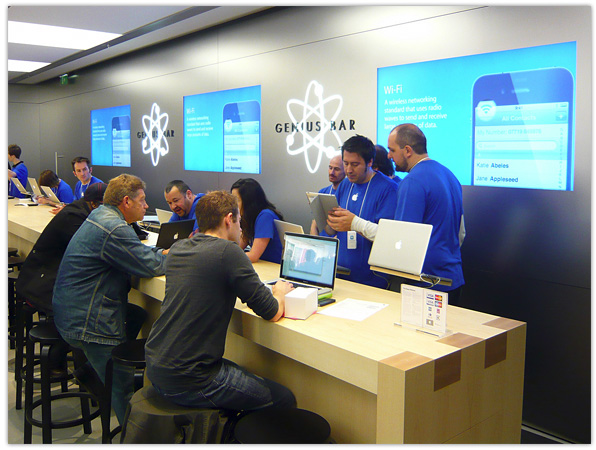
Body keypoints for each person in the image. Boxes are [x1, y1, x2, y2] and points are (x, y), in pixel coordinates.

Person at [145, 190, 296, 414]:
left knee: (241, 373)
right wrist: (280, 291)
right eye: (239, 221)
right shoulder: (229, 252)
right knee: (283, 399)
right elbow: (271, 311)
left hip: (156, 365)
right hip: (192, 378)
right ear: (228, 219)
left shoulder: (178, 250)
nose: (241, 228)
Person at [52, 174, 168, 425]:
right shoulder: (114, 228)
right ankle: (132, 432)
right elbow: (151, 265)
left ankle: (93, 370)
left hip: (71, 313)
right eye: (143, 200)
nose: (146, 206)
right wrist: (185, 255)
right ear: (127, 201)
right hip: (87, 322)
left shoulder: (100, 216)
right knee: (123, 389)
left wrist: (161, 252)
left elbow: (137, 254)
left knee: (136, 315)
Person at [349, 124, 465, 303]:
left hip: (426, 284)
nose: (388, 156)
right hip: (453, 279)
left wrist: (355, 223)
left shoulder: (412, 182)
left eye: (392, 150)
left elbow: (400, 242)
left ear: (408, 150)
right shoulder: (450, 176)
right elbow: (461, 233)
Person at [16, 183, 107, 375]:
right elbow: (94, 249)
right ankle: (73, 367)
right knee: (83, 312)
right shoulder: (74, 218)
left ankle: (79, 366)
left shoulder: (78, 211)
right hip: (42, 283)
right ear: (95, 205)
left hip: (44, 277)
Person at [324, 134, 398, 289]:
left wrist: (354, 223)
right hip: (342, 274)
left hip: (372, 279)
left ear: (370, 162)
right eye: (346, 163)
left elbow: (388, 237)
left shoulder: (388, 189)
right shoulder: (345, 184)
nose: (349, 170)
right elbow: (332, 229)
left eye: (355, 164)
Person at [231, 178, 284, 264]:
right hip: (263, 266)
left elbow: (253, 256)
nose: (233, 205)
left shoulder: (265, 216)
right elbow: (238, 247)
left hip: (273, 269)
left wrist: (227, 257)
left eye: (237, 200)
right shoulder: (249, 217)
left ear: (248, 201)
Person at [310, 154, 346, 235]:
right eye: (330, 168)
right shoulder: (322, 192)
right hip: (321, 243)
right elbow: (314, 226)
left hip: (337, 244)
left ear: (345, 171)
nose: (332, 172)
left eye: (336, 169)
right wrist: (314, 244)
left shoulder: (348, 194)